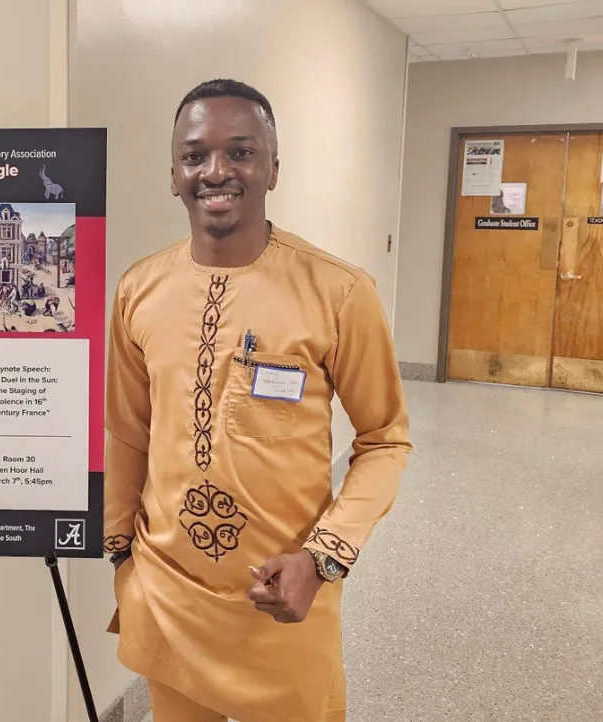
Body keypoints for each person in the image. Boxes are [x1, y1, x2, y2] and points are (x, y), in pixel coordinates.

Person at [103, 78, 413, 722]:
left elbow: (385, 440)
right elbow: (126, 431)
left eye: (240, 152)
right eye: (195, 156)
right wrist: (121, 553)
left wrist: (323, 558)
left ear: (273, 167)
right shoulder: (139, 290)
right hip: (170, 593)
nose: (216, 171)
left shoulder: (337, 292)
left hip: (283, 595)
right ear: (173, 175)